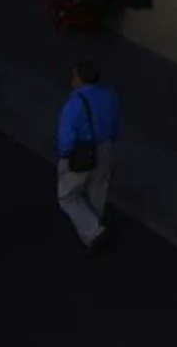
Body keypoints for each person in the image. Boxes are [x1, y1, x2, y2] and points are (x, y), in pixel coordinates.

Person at [54, 59, 118, 253]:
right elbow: (115, 123)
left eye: (74, 76)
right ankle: (95, 227)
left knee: (67, 195)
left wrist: (65, 155)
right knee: (98, 187)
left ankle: (93, 232)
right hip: (106, 147)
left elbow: (66, 134)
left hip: (81, 151)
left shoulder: (74, 103)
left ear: (80, 79)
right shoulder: (110, 96)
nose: (72, 79)